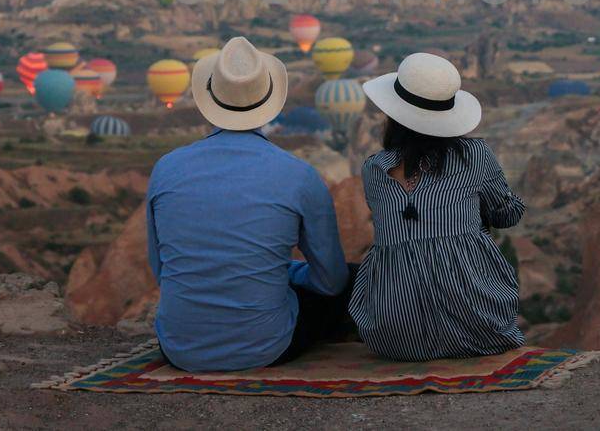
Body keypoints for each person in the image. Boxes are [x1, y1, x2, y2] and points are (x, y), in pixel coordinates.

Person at [145, 36, 350, 372]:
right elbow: (331, 281)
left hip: (180, 347)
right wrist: (286, 272)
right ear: (269, 99)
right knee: (351, 281)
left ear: (209, 96)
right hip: (267, 348)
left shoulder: (165, 168)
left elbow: (162, 272)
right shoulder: (299, 175)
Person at [349, 52, 526, 360]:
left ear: (393, 117)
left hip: (395, 338)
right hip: (480, 328)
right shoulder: (475, 155)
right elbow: (506, 214)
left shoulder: (373, 169)